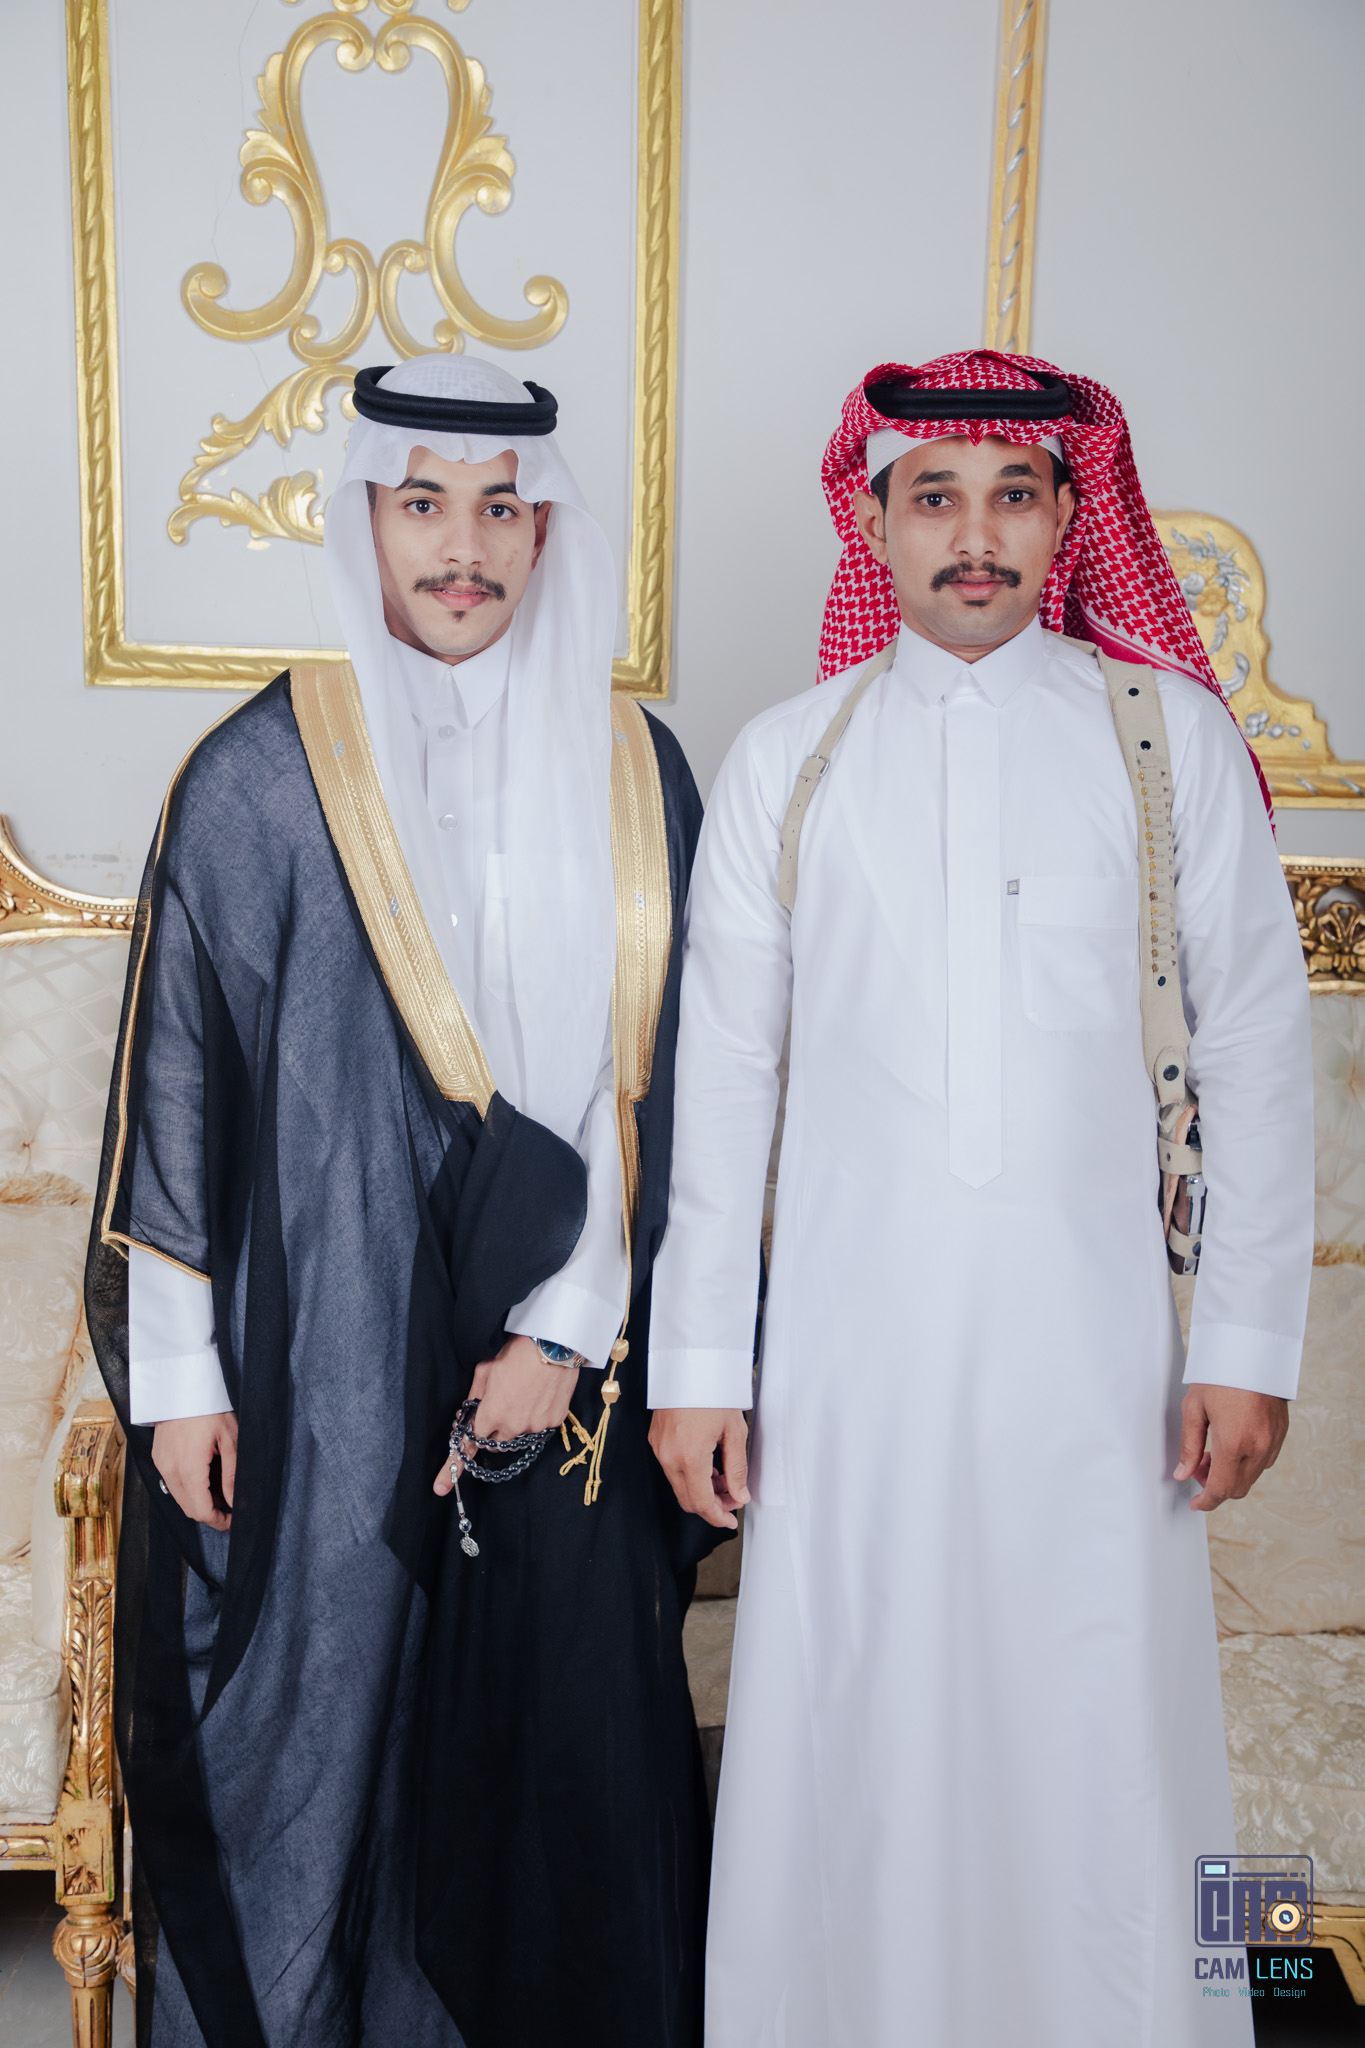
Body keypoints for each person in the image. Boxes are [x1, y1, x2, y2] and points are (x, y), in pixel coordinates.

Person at [646, 350, 1313, 2047]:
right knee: (853, 1717)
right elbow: (721, 1086)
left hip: (1098, 1360)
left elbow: (1254, 1047)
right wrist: (699, 1367)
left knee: (1109, 1724)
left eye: (1012, 495)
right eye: (933, 496)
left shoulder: (1165, 746)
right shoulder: (788, 760)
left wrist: (1244, 1345)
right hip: (847, 1365)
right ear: (872, 523)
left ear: (1069, 518)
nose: (973, 534)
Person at [86, 355, 715, 2048]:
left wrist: (561, 1338)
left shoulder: (635, 769)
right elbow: (182, 1086)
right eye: (423, 504)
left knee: (566, 1734)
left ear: (544, 531)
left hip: (568, 1359)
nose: (463, 547)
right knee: (318, 1719)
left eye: (501, 510)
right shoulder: (261, 771)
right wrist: (180, 1386)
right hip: (330, 1345)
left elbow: (652, 1086)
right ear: (363, 518)